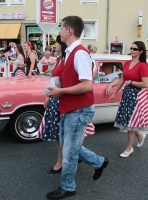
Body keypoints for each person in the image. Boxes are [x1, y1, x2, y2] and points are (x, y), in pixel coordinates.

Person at [46, 16, 108, 200]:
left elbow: (87, 85)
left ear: (69, 31)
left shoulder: (79, 53)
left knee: (70, 151)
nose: (59, 32)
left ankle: (68, 187)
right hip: (70, 107)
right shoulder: (71, 53)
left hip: (78, 109)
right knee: (69, 147)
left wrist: (60, 91)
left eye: (61, 28)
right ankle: (99, 162)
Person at [110, 41, 148, 158]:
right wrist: (114, 92)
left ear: (141, 51)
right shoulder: (127, 63)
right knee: (129, 121)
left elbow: (146, 84)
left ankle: (129, 148)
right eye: (131, 48)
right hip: (127, 95)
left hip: (137, 96)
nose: (132, 50)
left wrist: (132, 82)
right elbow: (122, 80)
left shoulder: (143, 65)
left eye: (135, 49)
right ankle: (140, 135)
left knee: (131, 122)